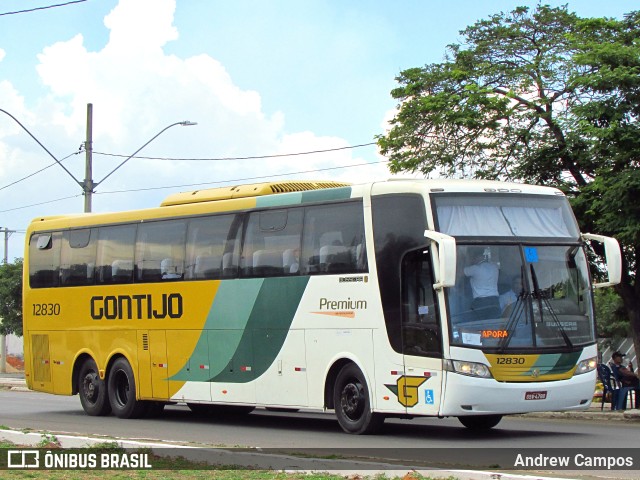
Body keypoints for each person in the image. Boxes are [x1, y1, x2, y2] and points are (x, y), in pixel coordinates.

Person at [464, 247, 500, 319]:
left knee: (479, 325)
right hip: (495, 301)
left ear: (476, 257)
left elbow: (459, 273)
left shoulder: (475, 268)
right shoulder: (494, 267)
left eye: (472, 258)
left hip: (481, 302)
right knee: (494, 324)